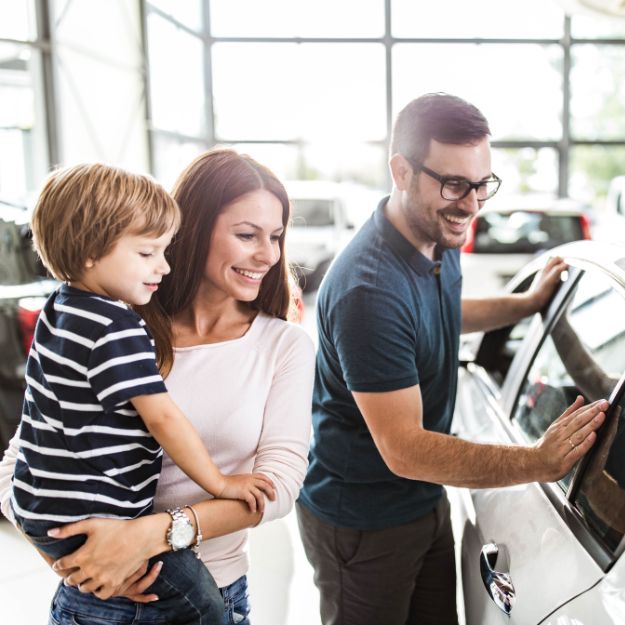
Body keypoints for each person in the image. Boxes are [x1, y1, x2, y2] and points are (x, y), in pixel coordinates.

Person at [295, 93, 608, 625]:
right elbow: (407, 450)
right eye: (454, 184)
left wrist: (525, 304)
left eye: (482, 184)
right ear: (401, 170)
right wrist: (538, 461)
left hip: (421, 502)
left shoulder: (433, 235)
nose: (471, 204)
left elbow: (439, 313)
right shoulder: (368, 290)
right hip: (364, 523)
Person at [0, 149, 315, 625]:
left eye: (275, 236)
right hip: (96, 597)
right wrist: (65, 556)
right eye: (247, 235)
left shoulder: (282, 345)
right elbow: (23, 456)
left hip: (210, 587)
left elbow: (277, 490)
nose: (268, 254)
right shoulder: (118, 324)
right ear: (192, 229)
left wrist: (153, 535)